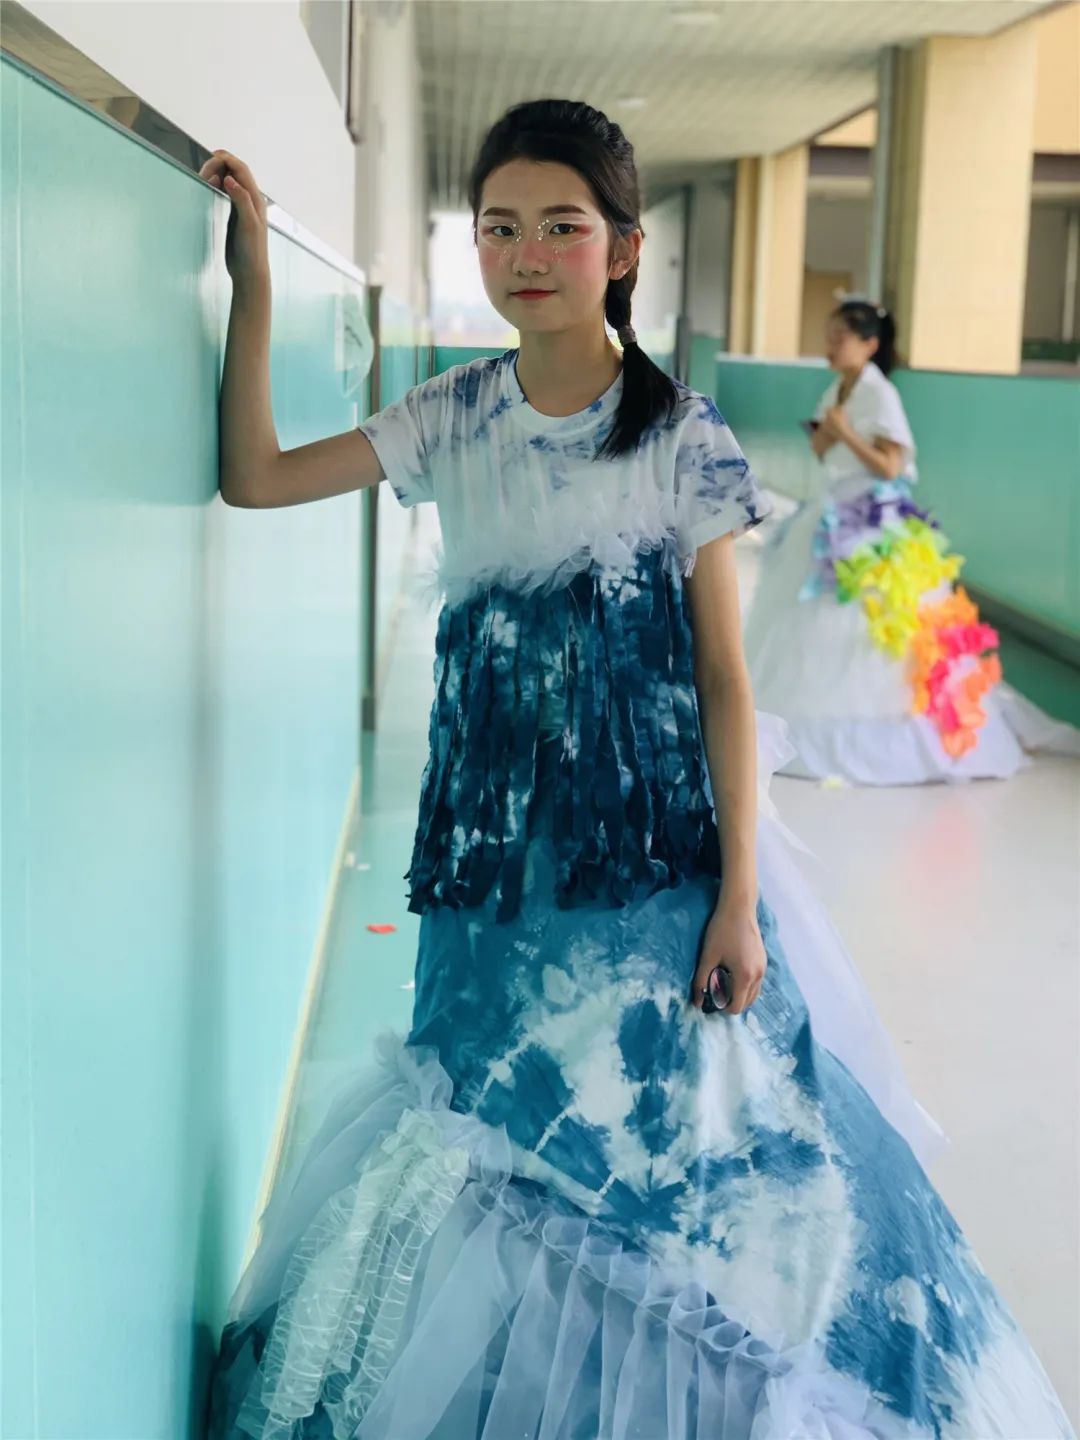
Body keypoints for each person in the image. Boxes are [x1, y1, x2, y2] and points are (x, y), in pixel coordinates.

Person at [200, 103, 1073, 1439]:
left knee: (671, 1146)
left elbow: (725, 679)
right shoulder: (455, 414)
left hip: (654, 861)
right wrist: (254, 277)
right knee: (498, 1123)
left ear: (622, 249)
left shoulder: (680, 436)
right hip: (493, 865)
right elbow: (257, 477)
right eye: (499, 228)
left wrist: (739, 896)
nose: (525, 254)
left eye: (561, 226)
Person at [742, 300, 1073, 784]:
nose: (830, 346)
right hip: (832, 509)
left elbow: (890, 466)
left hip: (874, 520)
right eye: (829, 336)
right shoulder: (837, 388)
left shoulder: (880, 394)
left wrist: (844, 432)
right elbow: (820, 449)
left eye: (840, 337)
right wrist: (828, 433)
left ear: (869, 344)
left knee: (876, 623)